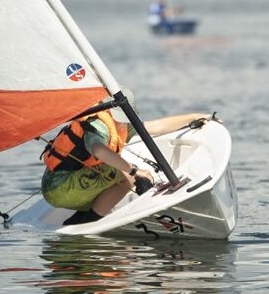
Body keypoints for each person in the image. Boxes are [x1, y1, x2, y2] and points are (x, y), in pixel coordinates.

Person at [40, 96, 212, 225]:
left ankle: (77, 220)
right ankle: (87, 223)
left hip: (62, 188)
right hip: (59, 187)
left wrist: (195, 117)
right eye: (120, 118)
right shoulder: (99, 126)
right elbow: (99, 150)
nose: (123, 123)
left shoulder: (122, 125)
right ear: (110, 111)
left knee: (123, 172)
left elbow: (156, 127)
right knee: (127, 176)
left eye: (125, 119)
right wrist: (134, 172)